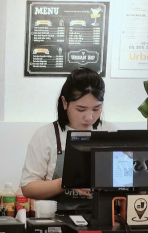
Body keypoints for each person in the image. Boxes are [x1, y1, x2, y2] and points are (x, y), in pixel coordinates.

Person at [20, 68, 113, 206]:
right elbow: (28, 188)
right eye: (81, 109)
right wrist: (64, 183)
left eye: (96, 108)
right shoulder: (46, 134)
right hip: (57, 216)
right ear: (65, 102)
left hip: (104, 215)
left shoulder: (110, 131)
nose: (89, 117)